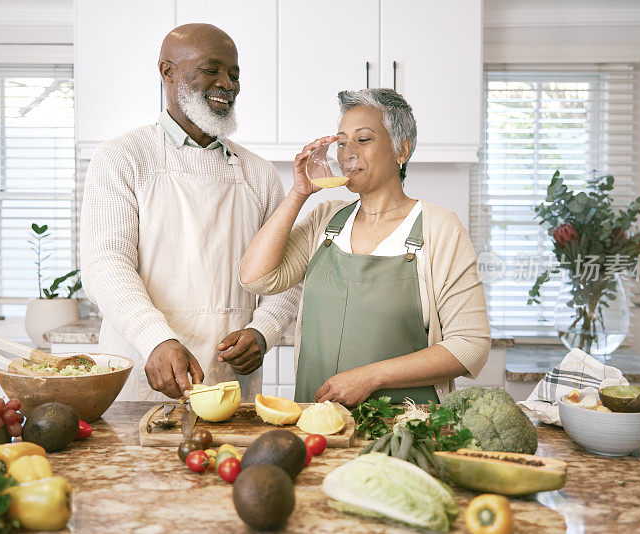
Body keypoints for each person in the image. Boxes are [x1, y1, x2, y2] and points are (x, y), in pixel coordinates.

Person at [81, 23, 300, 401]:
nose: (227, 83)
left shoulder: (259, 173)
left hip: (232, 382)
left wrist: (264, 329)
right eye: (211, 69)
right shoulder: (122, 157)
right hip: (141, 374)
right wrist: (156, 339)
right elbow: (105, 265)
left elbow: (286, 275)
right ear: (167, 72)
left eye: (234, 74)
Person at [239, 88, 490, 407]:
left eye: (364, 139)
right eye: (342, 142)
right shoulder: (325, 219)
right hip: (319, 427)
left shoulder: (438, 227)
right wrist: (299, 193)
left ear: (402, 150)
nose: (347, 153)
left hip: (404, 430)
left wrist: (370, 378)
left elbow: (470, 346)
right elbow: (255, 277)